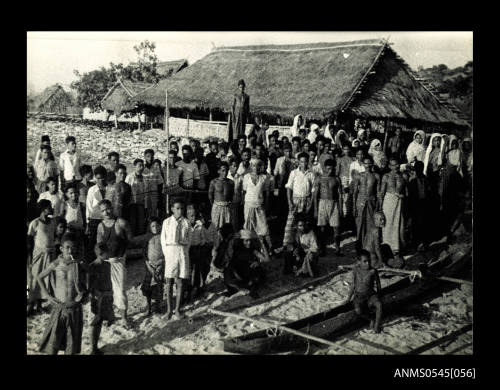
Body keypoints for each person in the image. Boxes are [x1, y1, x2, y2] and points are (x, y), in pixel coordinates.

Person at [37, 234, 86, 354]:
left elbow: (89, 278)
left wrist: (85, 292)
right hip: (59, 307)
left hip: (74, 308)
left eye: (73, 248)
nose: (70, 250)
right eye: (67, 247)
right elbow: (39, 277)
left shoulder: (79, 264)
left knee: (72, 344)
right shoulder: (56, 264)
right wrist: (48, 296)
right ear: (61, 249)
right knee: (53, 342)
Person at [96, 199, 133, 327]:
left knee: (120, 290)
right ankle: (109, 316)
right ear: (100, 213)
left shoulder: (121, 222)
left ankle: (124, 318)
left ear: (112, 208)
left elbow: (130, 240)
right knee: (107, 292)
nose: (106, 212)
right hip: (106, 262)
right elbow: (99, 245)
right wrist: (101, 258)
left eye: (108, 208)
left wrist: (121, 253)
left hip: (118, 261)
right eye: (102, 211)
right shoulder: (100, 226)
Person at [160, 199, 192, 320]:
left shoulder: (186, 222)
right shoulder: (166, 222)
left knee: (180, 282)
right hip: (170, 252)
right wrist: (167, 255)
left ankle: (177, 310)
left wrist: (183, 252)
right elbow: (163, 240)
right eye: (177, 208)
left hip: (182, 252)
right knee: (169, 283)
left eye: (182, 209)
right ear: (172, 209)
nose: (180, 211)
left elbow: (189, 240)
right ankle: (169, 310)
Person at [27, 199, 57, 316]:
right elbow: (29, 243)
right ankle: (30, 305)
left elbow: (53, 237)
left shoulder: (52, 222)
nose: (51, 209)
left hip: (50, 255)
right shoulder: (34, 223)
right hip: (38, 256)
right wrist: (30, 258)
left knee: (45, 279)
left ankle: (39, 305)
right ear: (43, 209)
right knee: (34, 279)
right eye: (49, 207)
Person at [344, 249, 383, 333]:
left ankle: (377, 325)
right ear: (359, 262)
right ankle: (371, 319)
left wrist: (379, 295)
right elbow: (353, 285)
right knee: (358, 311)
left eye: (369, 261)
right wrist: (348, 299)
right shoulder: (356, 270)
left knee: (379, 305)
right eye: (364, 261)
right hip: (359, 295)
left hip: (371, 294)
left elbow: (378, 285)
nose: (368, 263)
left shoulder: (373, 271)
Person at [282, 153, 315, 248]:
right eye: (301, 162)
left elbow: (313, 191)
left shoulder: (311, 174)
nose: (303, 164)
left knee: (305, 223)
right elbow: (289, 188)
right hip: (295, 200)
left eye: (305, 162)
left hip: (306, 200)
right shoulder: (294, 173)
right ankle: (287, 244)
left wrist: (310, 204)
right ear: (298, 162)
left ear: (308, 162)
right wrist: (290, 202)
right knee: (291, 223)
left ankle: (304, 244)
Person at [87, 242, 115, 355]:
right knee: (94, 322)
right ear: (101, 253)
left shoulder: (108, 265)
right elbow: (90, 286)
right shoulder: (92, 267)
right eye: (108, 252)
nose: (110, 254)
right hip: (96, 299)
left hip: (106, 297)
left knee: (100, 321)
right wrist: (99, 294)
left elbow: (109, 280)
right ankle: (93, 348)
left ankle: (95, 347)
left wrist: (110, 293)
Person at [224, 229, 268, 298]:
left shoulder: (252, 250)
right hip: (238, 274)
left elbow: (266, 259)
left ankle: (252, 290)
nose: (249, 242)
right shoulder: (237, 250)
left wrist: (262, 243)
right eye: (246, 240)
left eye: (249, 240)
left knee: (257, 270)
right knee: (227, 271)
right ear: (242, 241)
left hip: (249, 275)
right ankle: (232, 290)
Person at [242, 159, 273, 253]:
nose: (256, 167)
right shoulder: (246, 177)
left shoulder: (264, 178)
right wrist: (245, 204)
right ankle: (248, 248)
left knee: (263, 228)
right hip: (248, 206)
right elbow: (244, 192)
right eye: (253, 165)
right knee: (248, 228)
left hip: (259, 206)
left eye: (258, 165)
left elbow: (266, 193)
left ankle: (269, 248)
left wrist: (266, 205)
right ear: (251, 166)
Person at [314, 159, 343, 256]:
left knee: (337, 228)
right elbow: (315, 196)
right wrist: (315, 209)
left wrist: (341, 208)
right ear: (325, 168)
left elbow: (340, 195)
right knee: (322, 228)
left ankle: (337, 249)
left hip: (334, 203)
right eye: (328, 168)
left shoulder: (336, 179)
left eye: (332, 169)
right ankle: (322, 249)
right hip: (322, 203)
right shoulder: (319, 178)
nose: (330, 171)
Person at [379, 157, 407, 260]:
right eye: (393, 165)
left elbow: (406, 191)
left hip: (399, 201)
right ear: (389, 166)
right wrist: (380, 208)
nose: (396, 166)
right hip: (388, 201)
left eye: (397, 164)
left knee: (398, 224)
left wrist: (403, 196)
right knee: (387, 225)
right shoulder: (385, 177)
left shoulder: (403, 176)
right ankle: (387, 249)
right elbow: (381, 193)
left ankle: (396, 249)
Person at [353, 155, 381, 253]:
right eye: (366, 163)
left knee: (370, 224)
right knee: (359, 224)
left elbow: (378, 192)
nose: (368, 165)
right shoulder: (359, 175)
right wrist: (354, 206)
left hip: (371, 202)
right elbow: (355, 192)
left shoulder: (376, 176)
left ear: (372, 163)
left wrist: (379, 206)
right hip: (360, 202)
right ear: (363, 164)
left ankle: (369, 246)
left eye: (369, 163)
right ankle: (359, 246)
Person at [141, 217, 165, 316]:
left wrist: (161, 263)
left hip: (160, 265)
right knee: (147, 286)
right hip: (149, 266)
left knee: (159, 286)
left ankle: (158, 305)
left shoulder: (163, 236)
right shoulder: (147, 237)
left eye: (157, 225)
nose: (155, 228)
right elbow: (144, 253)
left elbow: (166, 252)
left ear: (160, 226)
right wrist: (148, 265)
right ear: (149, 227)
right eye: (152, 226)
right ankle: (149, 305)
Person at [407, 161, 431, 251]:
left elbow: (428, 192)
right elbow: (410, 195)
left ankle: (424, 242)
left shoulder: (425, 179)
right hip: (416, 205)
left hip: (424, 204)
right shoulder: (412, 180)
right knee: (416, 224)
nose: (419, 170)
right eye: (418, 168)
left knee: (424, 223)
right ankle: (416, 243)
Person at [86, 166, 108, 262]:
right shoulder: (92, 190)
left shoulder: (109, 188)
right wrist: (88, 222)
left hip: (106, 219)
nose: (100, 180)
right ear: (95, 177)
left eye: (102, 178)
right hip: (94, 220)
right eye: (98, 178)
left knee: (105, 242)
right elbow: (89, 207)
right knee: (93, 243)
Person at [208, 161, 235, 229]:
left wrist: (227, 204)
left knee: (227, 228)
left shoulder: (231, 182)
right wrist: (216, 205)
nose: (225, 173)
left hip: (227, 208)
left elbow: (231, 196)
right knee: (216, 227)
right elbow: (210, 196)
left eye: (226, 170)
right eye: (223, 170)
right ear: (218, 171)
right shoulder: (213, 182)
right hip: (217, 207)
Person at [125, 159, 148, 236]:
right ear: (135, 166)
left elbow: (146, 193)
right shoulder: (129, 177)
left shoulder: (144, 178)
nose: (141, 167)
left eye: (142, 166)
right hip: (132, 204)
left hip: (141, 204)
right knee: (133, 222)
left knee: (141, 222)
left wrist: (146, 205)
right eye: (139, 165)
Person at [227, 157, 243, 231]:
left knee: (235, 220)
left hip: (236, 201)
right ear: (229, 166)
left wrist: (242, 200)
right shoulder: (226, 176)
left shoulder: (240, 177)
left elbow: (242, 190)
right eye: (232, 165)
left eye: (235, 166)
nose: (234, 168)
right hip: (227, 202)